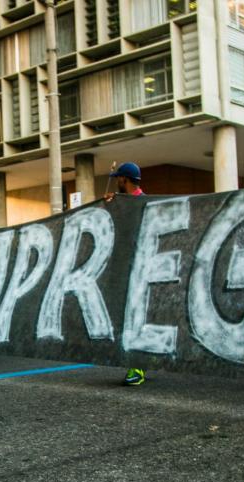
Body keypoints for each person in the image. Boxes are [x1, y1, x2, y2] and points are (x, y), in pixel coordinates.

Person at [104, 162, 147, 386]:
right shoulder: (124, 201)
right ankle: (138, 363)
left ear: (124, 179)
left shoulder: (143, 202)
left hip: (141, 269)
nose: (116, 182)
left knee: (135, 316)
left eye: (118, 178)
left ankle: (138, 368)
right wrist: (111, 206)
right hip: (128, 268)